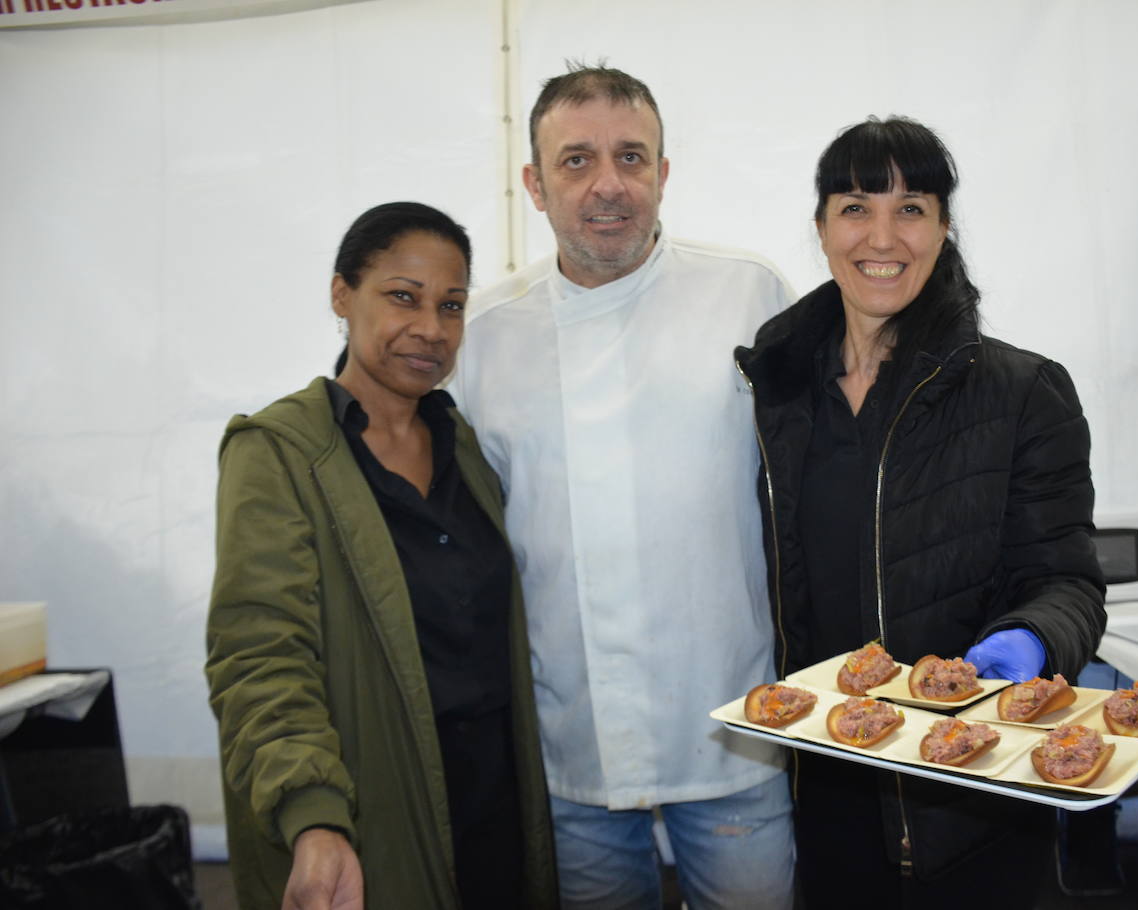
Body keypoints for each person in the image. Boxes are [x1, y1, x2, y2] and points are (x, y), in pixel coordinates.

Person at [733, 117, 1107, 905]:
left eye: (911, 208)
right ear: (821, 227)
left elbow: (1069, 580)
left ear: (943, 228)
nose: (883, 235)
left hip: (975, 795)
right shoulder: (778, 391)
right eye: (856, 206)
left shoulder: (1021, 394)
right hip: (827, 791)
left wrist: (1031, 638)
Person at [453, 65, 795, 910]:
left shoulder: (748, 294)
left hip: (737, 727)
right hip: (570, 740)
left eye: (631, 157)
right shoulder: (485, 336)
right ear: (533, 185)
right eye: (576, 161)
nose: (608, 185)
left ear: (664, 173)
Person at [205, 202, 558, 910]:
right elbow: (257, 655)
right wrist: (313, 817)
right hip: (371, 814)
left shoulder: (464, 445)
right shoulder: (281, 453)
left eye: (451, 305)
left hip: (497, 806)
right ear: (342, 294)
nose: (430, 328)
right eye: (402, 296)